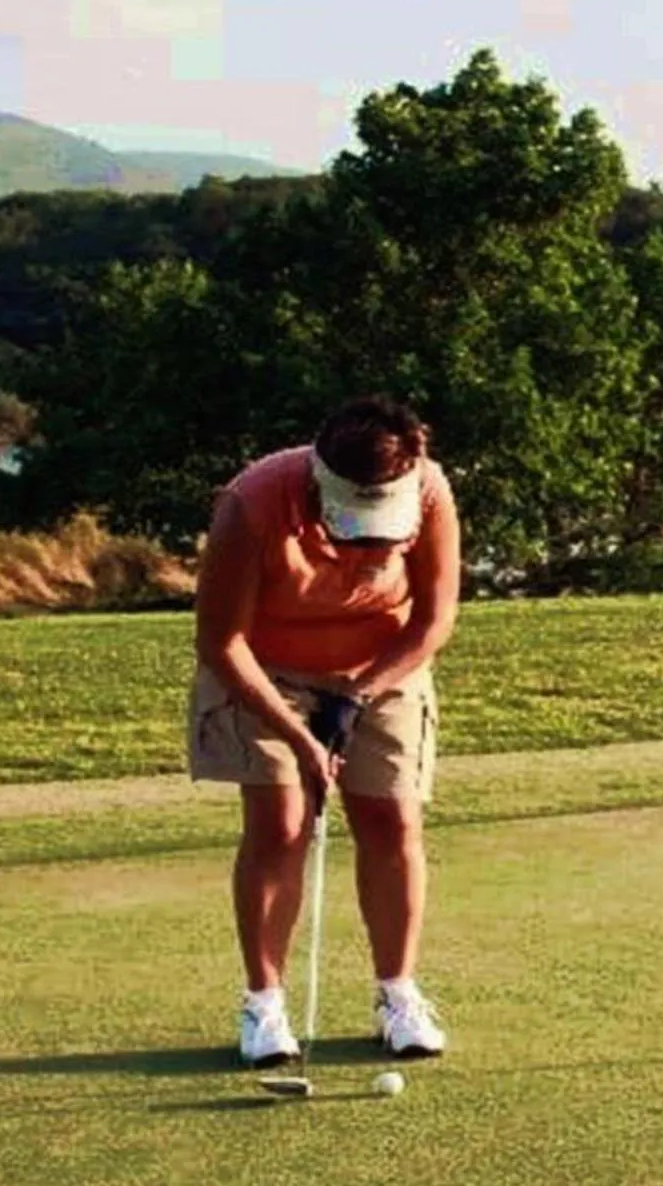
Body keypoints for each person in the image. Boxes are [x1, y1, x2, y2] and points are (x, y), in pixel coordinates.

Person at [188, 397, 461, 1066]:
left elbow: (432, 619)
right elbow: (221, 642)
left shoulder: (429, 489)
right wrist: (300, 733)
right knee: (281, 822)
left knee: (393, 822)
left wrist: (358, 694)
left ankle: (397, 994)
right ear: (318, 476)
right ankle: (264, 1006)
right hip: (264, 668)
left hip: (383, 663)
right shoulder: (252, 504)